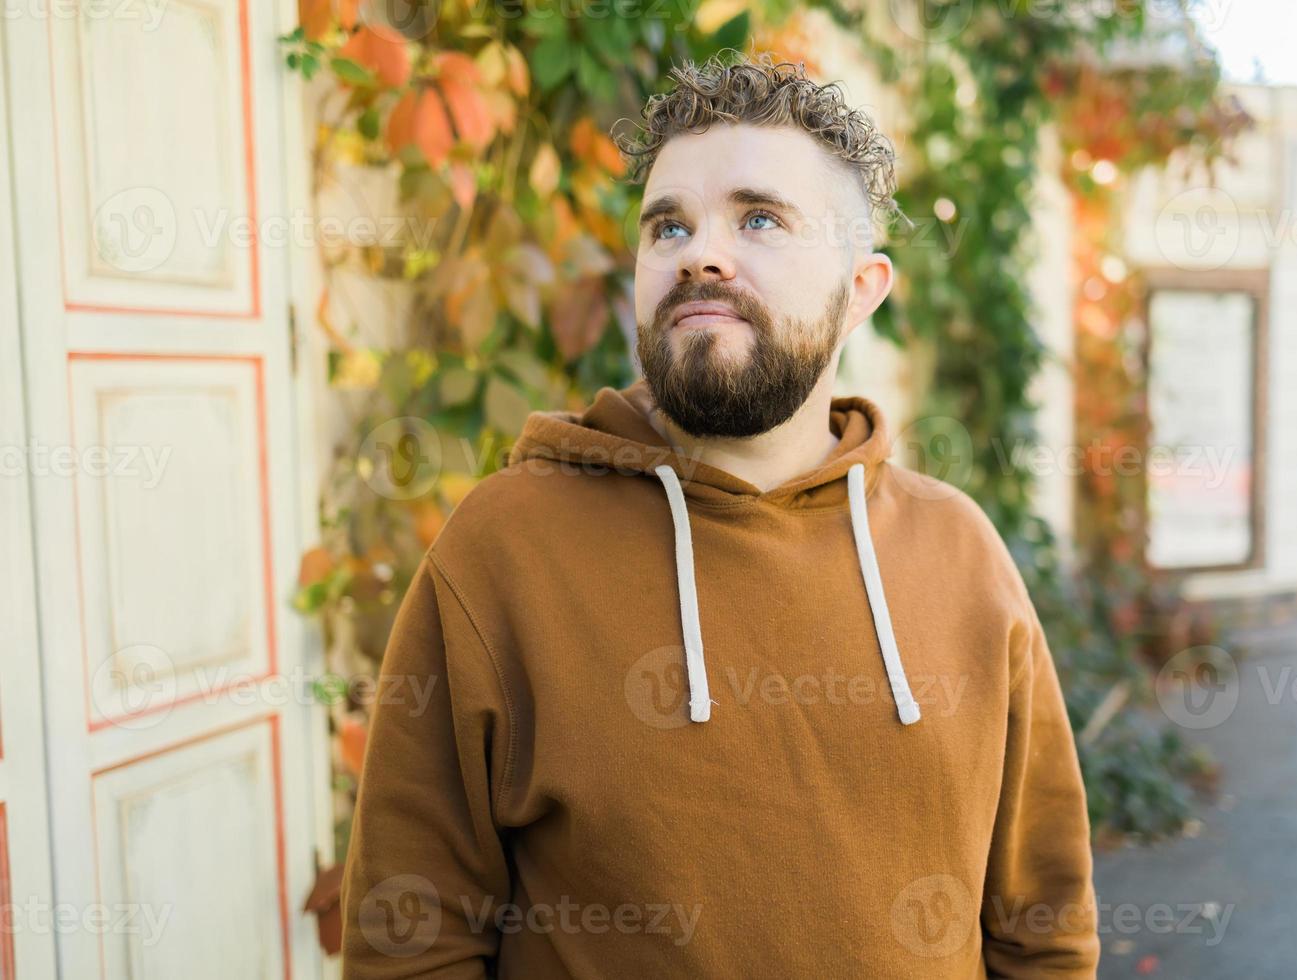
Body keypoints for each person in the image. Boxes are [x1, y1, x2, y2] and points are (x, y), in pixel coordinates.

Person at [340, 52, 1099, 978]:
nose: (699, 252)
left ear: (861, 290)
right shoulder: (505, 550)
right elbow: (411, 943)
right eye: (668, 226)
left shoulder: (960, 556)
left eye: (761, 218)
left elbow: (1044, 932)